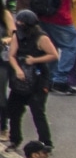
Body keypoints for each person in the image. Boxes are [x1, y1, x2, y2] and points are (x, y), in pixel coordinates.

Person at [7, 11, 56, 150]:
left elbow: (53, 55)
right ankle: (14, 139)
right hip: (21, 80)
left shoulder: (41, 38)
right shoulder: (18, 35)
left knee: (37, 111)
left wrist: (34, 60)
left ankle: (46, 143)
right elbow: (12, 55)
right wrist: (18, 70)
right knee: (14, 110)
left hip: (38, 80)